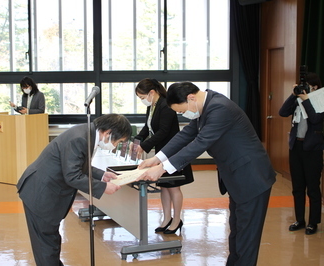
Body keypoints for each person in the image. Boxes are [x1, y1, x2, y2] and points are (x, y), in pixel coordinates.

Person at [137, 82, 276, 266]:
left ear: (191, 98)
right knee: (237, 232)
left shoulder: (219, 108)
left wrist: (163, 168)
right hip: (237, 178)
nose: (182, 115)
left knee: (246, 238)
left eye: (181, 111)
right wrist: (157, 159)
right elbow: (186, 135)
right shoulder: (206, 106)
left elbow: (200, 143)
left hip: (251, 177)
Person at [17, 114, 132, 266]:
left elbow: (77, 164)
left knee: (49, 241)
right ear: (108, 133)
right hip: (41, 193)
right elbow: (72, 176)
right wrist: (104, 187)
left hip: (45, 190)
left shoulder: (86, 133)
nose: (116, 145)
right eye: (119, 141)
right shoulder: (81, 138)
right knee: (46, 244)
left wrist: (102, 175)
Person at [133, 78, 193, 234]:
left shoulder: (166, 105)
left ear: (151, 93)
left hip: (172, 151)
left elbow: (163, 131)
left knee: (173, 187)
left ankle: (177, 219)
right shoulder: (152, 106)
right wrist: (138, 140)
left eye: (142, 97)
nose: (142, 100)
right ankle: (166, 218)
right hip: (161, 151)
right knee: (164, 187)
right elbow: (148, 127)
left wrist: (145, 146)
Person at [279, 72, 323, 235]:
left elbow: (315, 119)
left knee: (312, 187)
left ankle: (313, 222)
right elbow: (282, 112)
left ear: (315, 87)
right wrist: (293, 96)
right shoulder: (297, 100)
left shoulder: (320, 100)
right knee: (297, 187)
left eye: (308, 87)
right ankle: (300, 219)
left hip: (313, 149)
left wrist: (307, 100)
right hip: (296, 147)